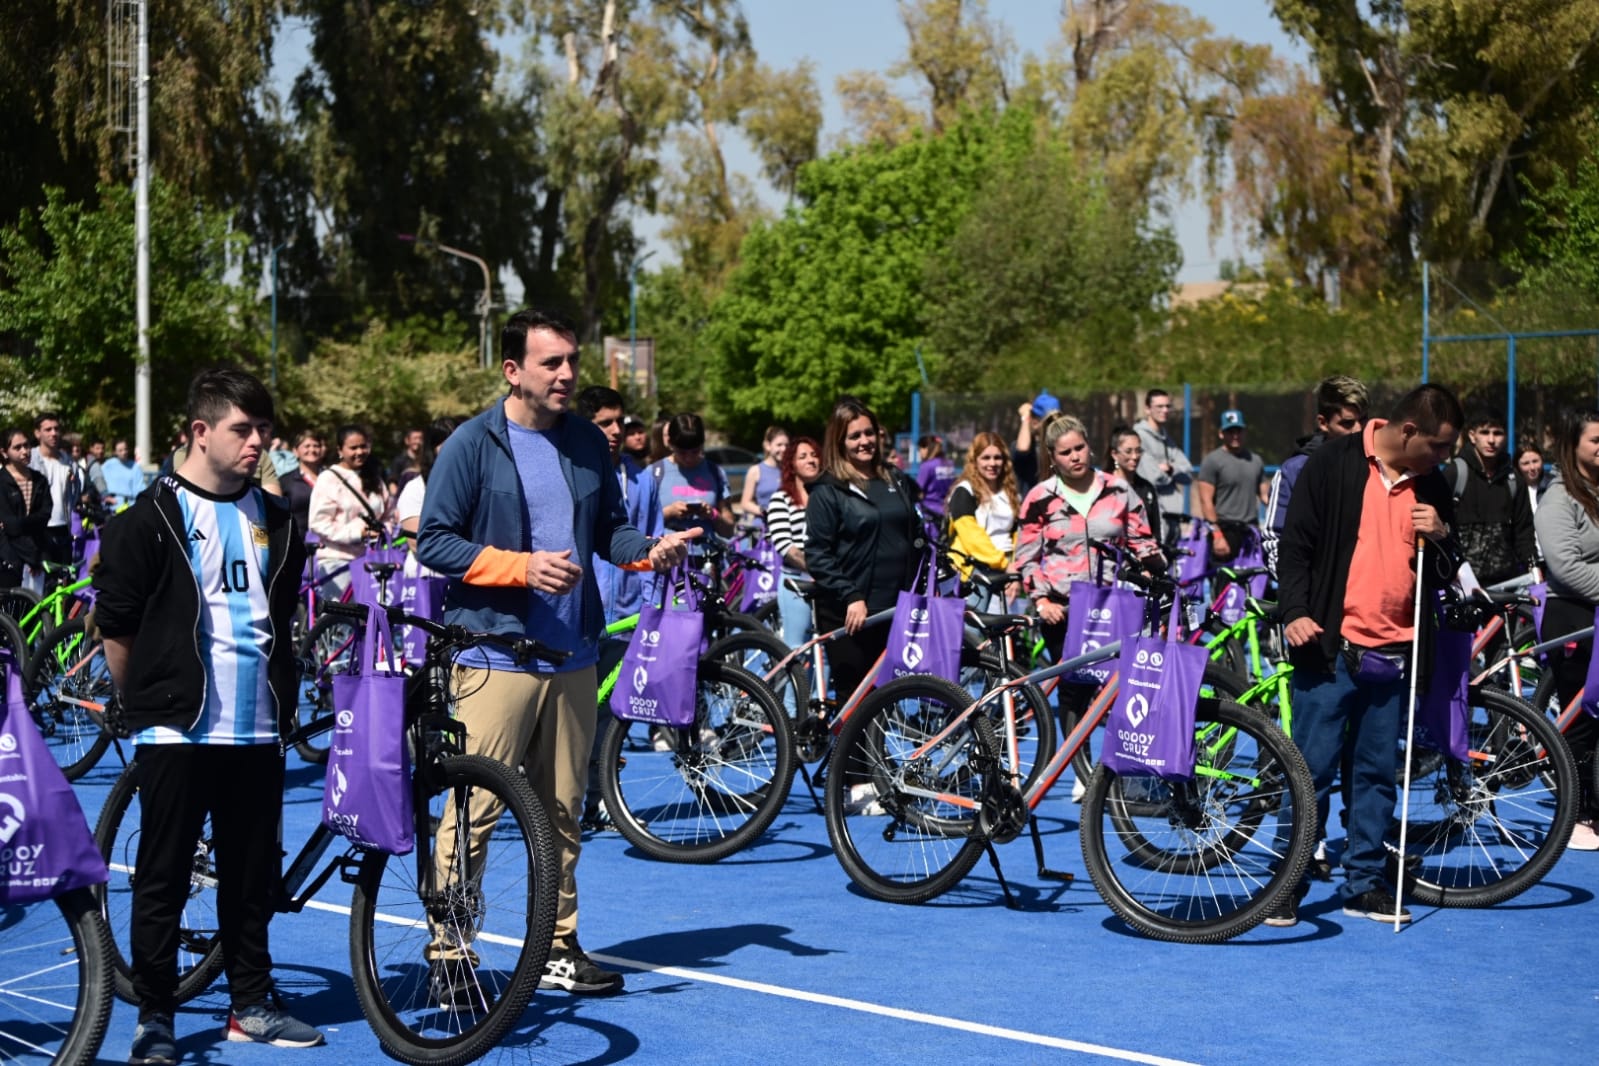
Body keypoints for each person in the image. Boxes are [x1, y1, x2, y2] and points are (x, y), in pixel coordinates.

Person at [416, 307, 695, 998]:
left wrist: (647, 554)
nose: (568, 374)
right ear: (513, 371)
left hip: (572, 657)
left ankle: (557, 945)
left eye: (571, 360)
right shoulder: (471, 445)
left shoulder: (586, 444)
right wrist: (519, 566)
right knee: (473, 813)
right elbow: (434, 542)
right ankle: (450, 952)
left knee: (562, 812)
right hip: (491, 660)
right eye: (552, 362)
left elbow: (610, 532)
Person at [93, 368, 319, 1061]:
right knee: (162, 876)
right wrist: (147, 703)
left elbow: (275, 619)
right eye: (242, 431)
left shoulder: (277, 520)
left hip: (256, 726)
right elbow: (118, 628)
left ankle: (250, 1002)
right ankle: (154, 1014)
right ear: (200, 432)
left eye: (265, 432)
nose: (259, 444)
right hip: (178, 727)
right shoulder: (144, 523)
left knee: (252, 877)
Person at [1273, 383, 1466, 926]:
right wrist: (1294, 612)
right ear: (1408, 432)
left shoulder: (1433, 485)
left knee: (1377, 772)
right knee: (1309, 771)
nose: (1444, 458)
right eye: (1439, 447)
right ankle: (1286, 883)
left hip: (1397, 651)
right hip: (1330, 648)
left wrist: (1444, 535)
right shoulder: (1331, 462)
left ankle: (1364, 882)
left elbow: (1450, 569)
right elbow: (1297, 546)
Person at [1011, 413, 1163, 660]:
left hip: (1111, 606)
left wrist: (1156, 568)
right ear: (1052, 457)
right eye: (1065, 452)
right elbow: (1027, 558)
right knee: (1074, 692)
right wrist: (1042, 602)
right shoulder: (1040, 497)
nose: (1074, 456)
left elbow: (1142, 540)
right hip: (1062, 610)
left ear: (1088, 447)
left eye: (1079, 448)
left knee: (1113, 688)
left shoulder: (1118, 489)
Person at [805, 397, 926, 703]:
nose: (864, 441)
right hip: (852, 612)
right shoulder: (827, 489)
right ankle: (849, 753)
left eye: (869, 433)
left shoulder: (895, 479)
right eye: (855, 436)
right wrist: (851, 595)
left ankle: (874, 753)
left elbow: (917, 534)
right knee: (856, 702)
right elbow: (818, 554)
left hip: (895, 606)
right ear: (840, 441)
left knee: (887, 699)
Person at [1531, 410, 1599, 850]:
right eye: (1596, 440)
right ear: (1573, 444)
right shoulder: (1559, 497)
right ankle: (1572, 813)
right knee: (1578, 720)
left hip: (1594, 613)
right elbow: (1566, 566)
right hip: (1572, 616)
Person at [1263, 376, 1369, 579]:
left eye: (1363, 420)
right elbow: (1275, 540)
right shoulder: (1295, 470)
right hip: (1314, 598)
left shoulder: (1379, 464)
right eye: (1347, 424)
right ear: (1323, 423)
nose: (1359, 430)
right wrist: (1301, 593)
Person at [1448, 412, 1537, 587]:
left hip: (1506, 586)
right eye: (1485, 433)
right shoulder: (1455, 474)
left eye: (1497, 433)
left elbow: (1524, 532)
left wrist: (1532, 567)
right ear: (1472, 436)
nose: (1491, 440)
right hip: (1461, 587)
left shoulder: (1514, 480)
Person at [307, 424, 388, 596]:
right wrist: (358, 534)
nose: (359, 452)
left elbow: (388, 514)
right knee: (342, 621)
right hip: (337, 562)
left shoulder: (376, 478)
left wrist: (383, 532)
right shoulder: (328, 479)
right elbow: (318, 523)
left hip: (371, 562)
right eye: (353, 448)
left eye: (363, 446)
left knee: (370, 620)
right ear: (340, 450)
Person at [947, 431, 1022, 612]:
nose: (992, 463)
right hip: (973, 571)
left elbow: (1016, 535)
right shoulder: (964, 491)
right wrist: (1005, 565)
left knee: (1003, 632)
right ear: (975, 460)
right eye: (985, 457)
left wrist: (1015, 570)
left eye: (997, 457)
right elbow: (972, 537)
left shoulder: (1011, 493)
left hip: (1005, 571)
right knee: (972, 635)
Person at [631, 413, 736, 541]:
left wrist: (712, 514)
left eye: (695, 451)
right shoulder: (654, 473)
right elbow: (637, 525)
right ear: (670, 443)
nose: (689, 458)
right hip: (668, 556)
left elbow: (729, 531)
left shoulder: (715, 472)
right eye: (682, 452)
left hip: (707, 555)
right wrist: (668, 512)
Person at [765, 436, 822, 650]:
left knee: (825, 652)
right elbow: (785, 545)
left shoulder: (828, 497)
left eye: (815, 455)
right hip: (796, 582)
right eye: (803, 456)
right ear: (792, 464)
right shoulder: (781, 499)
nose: (811, 460)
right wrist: (819, 569)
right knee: (797, 652)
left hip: (827, 584)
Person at [1195, 409, 1268, 562]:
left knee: (1258, 581)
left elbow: (1265, 496)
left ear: (1244, 432)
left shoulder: (1255, 460)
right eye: (1230, 431)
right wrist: (1217, 535)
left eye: (1239, 431)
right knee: (1225, 583)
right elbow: (1205, 501)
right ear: (1221, 433)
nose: (1235, 435)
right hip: (1224, 530)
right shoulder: (1212, 461)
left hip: (1250, 530)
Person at [1133, 389, 1193, 549]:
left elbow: (1187, 471)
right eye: (1159, 406)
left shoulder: (1166, 438)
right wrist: (1168, 473)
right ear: (1147, 409)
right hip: (1153, 516)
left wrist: (1170, 469)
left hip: (1173, 518)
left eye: (1168, 406)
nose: (1165, 410)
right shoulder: (1139, 437)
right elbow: (1153, 477)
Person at [0, 428, 50, 593]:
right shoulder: (2, 481)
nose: (25, 451)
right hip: (9, 556)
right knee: (9, 611)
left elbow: (44, 516)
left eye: (27, 446)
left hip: (38, 552)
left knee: (36, 609)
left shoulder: (39, 480)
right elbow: (9, 525)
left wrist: (36, 557)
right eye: (18, 447)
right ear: (4, 452)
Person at [28, 411, 73, 566]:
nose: (54, 433)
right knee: (41, 582)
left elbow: (75, 492)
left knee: (64, 580)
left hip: (63, 526)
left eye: (56, 429)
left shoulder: (66, 460)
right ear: (37, 433)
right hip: (40, 529)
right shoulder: (30, 459)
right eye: (48, 429)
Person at [1105, 424, 1160, 530]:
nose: (1134, 457)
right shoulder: (1103, 486)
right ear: (1114, 454)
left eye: (1138, 451)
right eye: (1128, 451)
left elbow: (1155, 532)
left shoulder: (1146, 488)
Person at [1013, 391, 1058, 493]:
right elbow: (1023, 449)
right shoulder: (1027, 445)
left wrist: (1026, 416)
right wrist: (1026, 417)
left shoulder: (1059, 446)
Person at [280, 430, 324, 535]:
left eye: (316, 446)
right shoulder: (286, 481)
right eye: (307, 446)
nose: (312, 450)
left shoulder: (332, 478)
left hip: (330, 545)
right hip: (298, 544)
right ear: (295, 451)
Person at [739, 425, 789, 518]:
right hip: (764, 527)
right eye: (779, 445)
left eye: (786, 445)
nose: (784, 449)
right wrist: (766, 511)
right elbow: (745, 503)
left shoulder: (790, 470)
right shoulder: (755, 471)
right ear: (768, 446)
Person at [915, 435, 958, 522]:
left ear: (926, 448)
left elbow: (917, 489)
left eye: (920, 449)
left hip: (929, 512)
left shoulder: (927, 466)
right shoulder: (949, 464)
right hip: (947, 510)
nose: (920, 453)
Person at [103, 438, 147, 508]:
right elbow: (100, 484)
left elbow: (140, 489)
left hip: (129, 506)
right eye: (120, 450)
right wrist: (105, 497)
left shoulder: (135, 467)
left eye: (125, 449)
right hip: (110, 507)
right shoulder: (107, 465)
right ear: (115, 452)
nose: (124, 452)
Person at [387, 426, 425, 495]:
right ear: (407, 441)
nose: (418, 441)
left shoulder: (426, 460)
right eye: (415, 438)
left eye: (420, 439)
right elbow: (392, 483)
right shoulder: (399, 461)